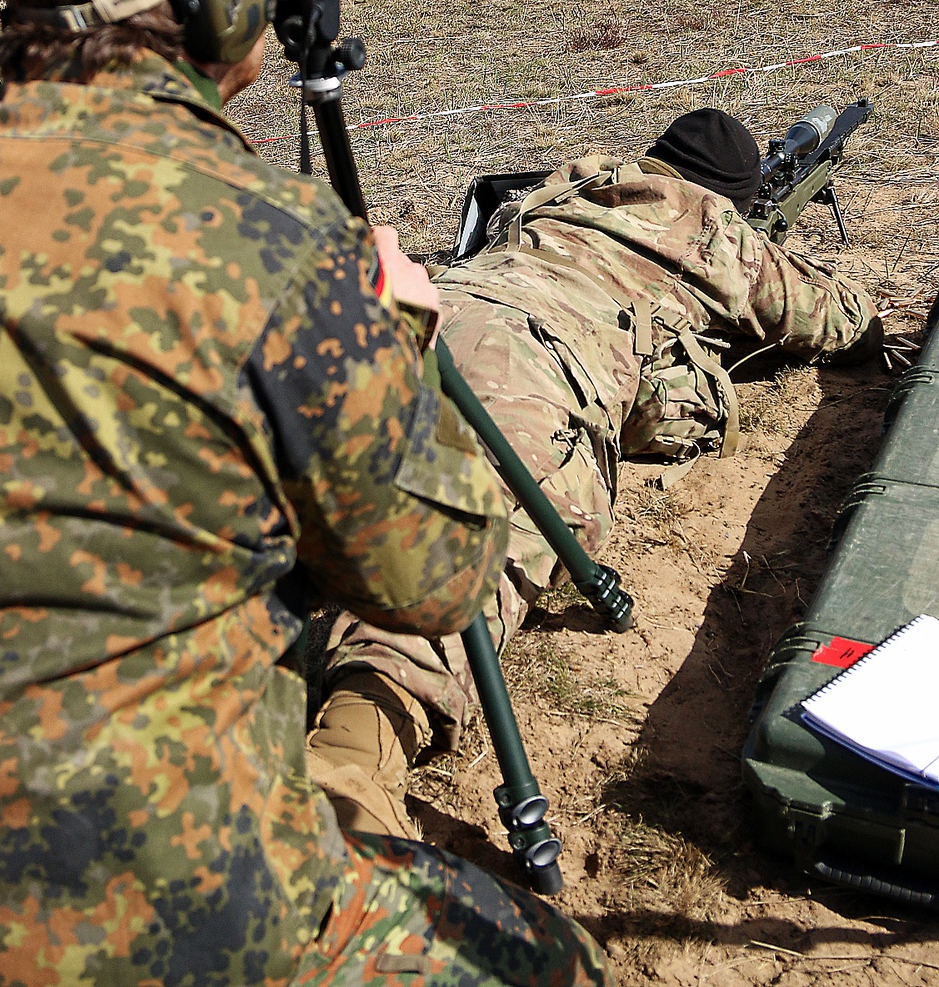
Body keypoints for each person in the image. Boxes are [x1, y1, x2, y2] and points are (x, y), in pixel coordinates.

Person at [0, 0, 612, 986]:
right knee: (553, 963)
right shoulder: (272, 244)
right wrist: (395, 337)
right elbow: (437, 579)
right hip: (173, 921)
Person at [309, 107, 882, 836]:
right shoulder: (709, 225)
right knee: (472, 546)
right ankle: (347, 767)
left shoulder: (574, 188)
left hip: (423, 310)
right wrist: (757, 257)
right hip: (526, 362)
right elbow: (845, 323)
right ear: (729, 198)